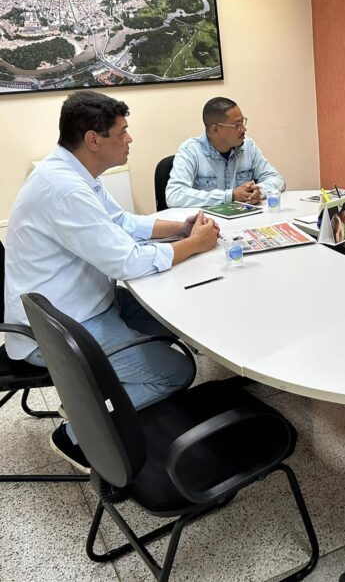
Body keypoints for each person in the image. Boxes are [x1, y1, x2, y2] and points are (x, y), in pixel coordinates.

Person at [4, 90, 219, 472]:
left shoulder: (72, 170)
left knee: (181, 320)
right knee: (177, 371)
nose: (130, 139)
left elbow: (121, 223)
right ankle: (77, 432)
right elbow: (126, 262)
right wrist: (193, 245)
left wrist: (179, 228)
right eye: (122, 132)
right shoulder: (64, 188)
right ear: (93, 139)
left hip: (88, 302)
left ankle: (101, 390)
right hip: (61, 328)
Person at [166, 96, 285, 208]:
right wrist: (230, 196)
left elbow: (277, 179)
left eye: (243, 122)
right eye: (237, 125)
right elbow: (174, 195)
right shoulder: (190, 151)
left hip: (245, 219)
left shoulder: (248, 146)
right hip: (207, 223)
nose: (244, 129)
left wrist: (258, 191)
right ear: (216, 129)